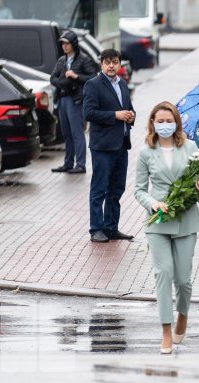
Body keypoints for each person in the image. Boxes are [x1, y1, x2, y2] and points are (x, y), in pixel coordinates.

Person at [134, 102, 199, 354]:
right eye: (160, 121)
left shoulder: (190, 148)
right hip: (158, 221)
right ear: (152, 123)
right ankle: (166, 331)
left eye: (170, 120)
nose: (165, 125)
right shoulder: (146, 152)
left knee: (182, 278)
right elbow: (138, 189)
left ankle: (183, 315)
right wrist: (153, 203)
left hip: (186, 220)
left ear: (177, 123)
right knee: (163, 274)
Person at [83, 49, 136, 243]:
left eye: (114, 62)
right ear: (101, 65)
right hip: (102, 146)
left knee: (117, 189)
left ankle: (111, 227)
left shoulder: (122, 84)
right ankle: (96, 228)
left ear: (120, 64)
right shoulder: (93, 85)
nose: (111, 65)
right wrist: (115, 115)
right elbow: (88, 113)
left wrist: (131, 116)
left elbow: (128, 107)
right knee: (99, 189)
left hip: (121, 145)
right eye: (107, 62)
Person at [50, 30, 98, 175]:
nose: (64, 46)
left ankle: (81, 164)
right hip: (63, 99)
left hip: (76, 100)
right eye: (63, 44)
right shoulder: (62, 60)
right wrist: (63, 82)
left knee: (77, 132)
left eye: (67, 43)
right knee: (66, 133)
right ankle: (68, 163)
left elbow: (92, 78)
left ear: (73, 44)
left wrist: (76, 76)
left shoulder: (83, 59)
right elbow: (52, 78)